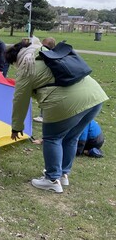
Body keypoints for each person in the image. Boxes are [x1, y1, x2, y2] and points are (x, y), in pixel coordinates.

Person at [6, 38, 108, 193]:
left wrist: (17, 127)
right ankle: (63, 175)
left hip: (66, 102)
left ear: (16, 59)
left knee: (52, 138)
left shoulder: (26, 67)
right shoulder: (48, 53)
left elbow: (20, 100)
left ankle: (52, 179)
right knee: (71, 137)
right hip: (95, 96)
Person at [33, 37, 57, 123]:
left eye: (44, 45)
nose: (42, 47)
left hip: (51, 83)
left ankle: (43, 116)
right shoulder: (49, 54)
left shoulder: (50, 56)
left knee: (46, 97)